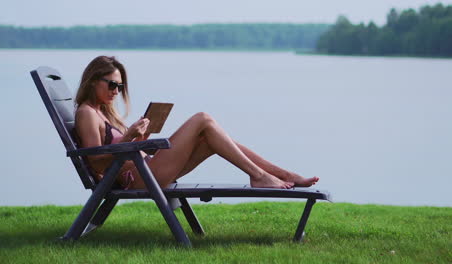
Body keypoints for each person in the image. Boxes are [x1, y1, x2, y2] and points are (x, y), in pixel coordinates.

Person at [75, 56, 319, 190]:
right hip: (139, 179)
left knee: (210, 136)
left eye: (120, 86)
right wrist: (128, 137)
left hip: (147, 169)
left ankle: (280, 174)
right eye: (112, 85)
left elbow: (121, 152)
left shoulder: (104, 112)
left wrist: (140, 138)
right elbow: (96, 163)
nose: (117, 91)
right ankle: (261, 175)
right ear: (93, 81)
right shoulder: (87, 113)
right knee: (203, 119)